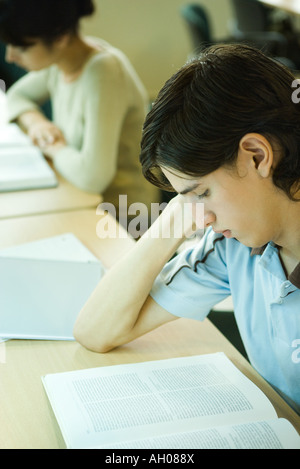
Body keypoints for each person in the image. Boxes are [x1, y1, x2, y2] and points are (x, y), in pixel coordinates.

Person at [74, 44, 300, 414]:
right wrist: (176, 214)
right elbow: (96, 330)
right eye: (187, 199)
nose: (202, 218)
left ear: (258, 156)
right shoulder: (233, 248)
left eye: (203, 193)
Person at [0, 0, 158, 216]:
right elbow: (17, 96)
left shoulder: (104, 72)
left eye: (22, 47)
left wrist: (52, 147)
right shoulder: (61, 61)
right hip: (80, 194)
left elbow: (93, 178)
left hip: (121, 215)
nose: (10, 56)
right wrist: (38, 124)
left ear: (59, 37)